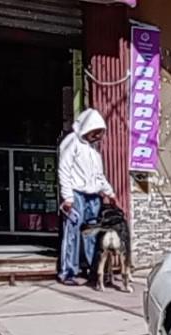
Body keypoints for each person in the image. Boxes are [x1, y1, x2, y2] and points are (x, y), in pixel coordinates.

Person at [57, 109, 115, 286]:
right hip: (75, 194)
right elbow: (64, 170)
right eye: (95, 132)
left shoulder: (93, 149)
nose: (97, 136)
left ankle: (93, 269)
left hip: (93, 196)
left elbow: (99, 174)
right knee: (72, 232)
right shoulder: (71, 142)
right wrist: (67, 197)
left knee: (92, 234)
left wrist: (109, 192)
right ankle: (68, 272)